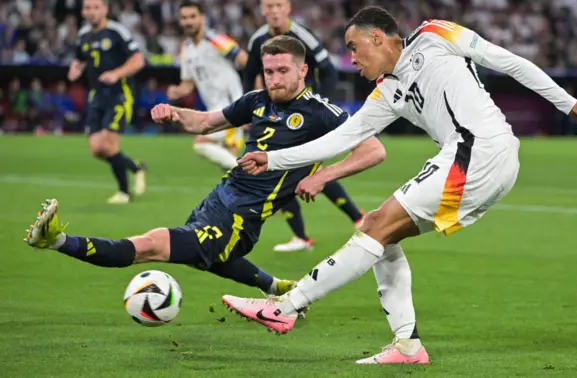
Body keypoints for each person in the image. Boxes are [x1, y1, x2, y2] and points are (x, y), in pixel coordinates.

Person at [220, 6, 577, 364]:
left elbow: (505, 60)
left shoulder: (435, 34)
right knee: (381, 233)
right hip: (476, 160)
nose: (351, 58)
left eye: (354, 48)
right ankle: (407, 344)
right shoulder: (386, 91)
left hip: (479, 149)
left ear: (377, 37)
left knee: (375, 227)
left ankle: (285, 307)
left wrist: (566, 102)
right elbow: (341, 139)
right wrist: (273, 158)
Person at [24, 35, 385, 304]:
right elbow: (206, 123)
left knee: (150, 245)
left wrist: (321, 175)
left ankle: (55, 240)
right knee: (209, 260)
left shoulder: (322, 112)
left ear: (303, 70)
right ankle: (276, 288)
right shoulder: (256, 101)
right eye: (268, 71)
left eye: (282, 71)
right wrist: (176, 113)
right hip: (217, 200)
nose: (273, 78)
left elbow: (373, 150)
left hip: (240, 220)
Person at [244, 0, 366, 252]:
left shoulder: (302, 36)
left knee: (289, 169)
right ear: (262, 10)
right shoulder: (257, 41)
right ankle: (355, 219)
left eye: (279, 6)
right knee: (296, 169)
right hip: (275, 114)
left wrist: (317, 106)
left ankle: (312, 233)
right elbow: (249, 73)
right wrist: (249, 111)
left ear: (288, 8)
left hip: (302, 114)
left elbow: (328, 70)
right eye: (269, 7)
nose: (274, 11)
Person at [69, 0, 147, 204]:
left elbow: (139, 61)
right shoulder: (84, 34)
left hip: (119, 94)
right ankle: (135, 167)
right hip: (96, 95)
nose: (91, 12)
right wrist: (75, 68)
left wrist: (116, 74)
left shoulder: (116, 31)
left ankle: (124, 192)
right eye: (87, 8)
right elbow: (79, 58)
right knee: (96, 149)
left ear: (105, 9)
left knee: (109, 145)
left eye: (95, 7)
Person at [167, 1, 248, 170]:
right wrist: (177, 91)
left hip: (230, 106)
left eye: (192, 17)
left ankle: (251, 176)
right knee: (228, 167)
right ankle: (250, 181)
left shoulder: (216, 40)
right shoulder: (186, 49)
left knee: (201, 144)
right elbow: (188, 84)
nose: (188, 21)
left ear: (202, 18)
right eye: (184, 18)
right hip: (213, 108)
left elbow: (245, 61)